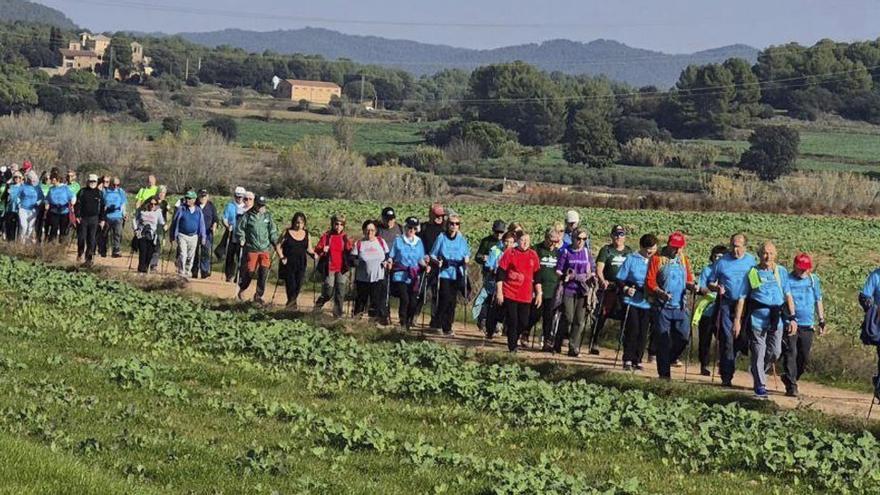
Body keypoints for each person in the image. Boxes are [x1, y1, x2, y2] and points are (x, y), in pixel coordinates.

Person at [734, 241, 795, 399]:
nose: (767, 256)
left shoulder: (781, 272)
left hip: (776, 319)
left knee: (775, 352)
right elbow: (742, 298)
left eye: (771, 253)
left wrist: (792, 318)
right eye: (764, 253)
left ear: (776, 254)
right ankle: (760, 386)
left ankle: (757, 369)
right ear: (759, 255)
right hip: (757, 320)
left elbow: (788, 295)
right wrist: (737, 321)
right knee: (758, 353)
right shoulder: (753, 272)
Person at [708, 233, 758, 387]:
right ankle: (726, 376)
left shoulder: (751, 261)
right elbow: (710, 282)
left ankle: (730, 362)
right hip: (726, 303)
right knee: (727, 339)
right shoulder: (722, 262)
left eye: (738, 246)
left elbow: (756, 282)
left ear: (745, 247)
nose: (735, 250)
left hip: (745, 304)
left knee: (742, 339)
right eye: (732, 246)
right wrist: (716, 287)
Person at [645, 232, 695, 379]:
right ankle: (664, 374)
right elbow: (650, 281)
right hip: (662, 307)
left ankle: (671, 358)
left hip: (680, 306)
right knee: (663, 341)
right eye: (674, 247)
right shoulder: (657, 259)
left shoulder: (683, 260)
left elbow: (689, 279)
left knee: (683, 337)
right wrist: (660, 292)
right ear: (669, 245)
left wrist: (693, 286)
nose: (677, 251)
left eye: (679, 248)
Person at [782, 253, 826, 397]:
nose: (802, 272)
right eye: (800, 269)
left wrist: (821, 320)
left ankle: (791, 377)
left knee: (804, 357)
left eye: (805, 269)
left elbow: (818, 300)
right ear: (794, 266)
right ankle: (791, 386)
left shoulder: (813, 280)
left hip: (808, 324)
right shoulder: (787, 280)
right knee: (791, 353)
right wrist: (788, 318)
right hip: (791, 323)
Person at [616, 234, 659, 371]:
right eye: (647, 249)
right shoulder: (631, 259)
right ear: (641, 247)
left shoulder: (657, 261)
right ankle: (628, 358)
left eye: (652, 249)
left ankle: (638, 359)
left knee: (643, 331)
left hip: (647, 301)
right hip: (632, 300)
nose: (650, 252)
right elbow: (620, 278)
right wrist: (626, 288)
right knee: (632, 329)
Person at [589, 225, 633, 355]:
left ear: (624, 237)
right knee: (602, 314)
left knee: (625, 317)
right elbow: (599, 268)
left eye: (621, 234)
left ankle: (625, 345)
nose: (618, 237)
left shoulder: (629, 252)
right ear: (611, 236)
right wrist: (602, 280)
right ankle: (594, 341)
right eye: (615, 234)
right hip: (609, 287)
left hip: (624, 288)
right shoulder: (606, 250)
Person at [554, 227, 597, 356]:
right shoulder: (567, 252)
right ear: (573, 238)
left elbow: (592, 269)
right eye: (579, 238)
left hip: (582, 290)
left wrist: (591, 277)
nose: (581, 241)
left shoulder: (586, 252)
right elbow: (558, 270)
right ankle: (558, 340)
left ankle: (574, 347)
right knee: (568, 317)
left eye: (584, 239)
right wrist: (566, 276)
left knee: (579, 320)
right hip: (568, 289)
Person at [496, 231, 542, 352]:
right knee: (513, 320)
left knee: (524, 321)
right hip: (510, 292)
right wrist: (499, 292)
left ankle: (514, 337)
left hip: (526, 295)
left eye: (527, 240)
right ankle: (512, 346)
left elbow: (537, 276)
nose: (525, 242)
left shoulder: (533, 255)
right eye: (522, 240)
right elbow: (500, 273)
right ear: (517, 241)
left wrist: (539, 293)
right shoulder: (510, 253)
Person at [429, 209, 469, 336]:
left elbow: (466, 253)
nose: (454, 226)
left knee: (452, 301)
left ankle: (448, 326)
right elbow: (432, 254)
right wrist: (437, 262)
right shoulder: (441, 237)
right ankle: (438, 323)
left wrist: (466, 259)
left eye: (457, 224)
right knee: (444, 298)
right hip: (444, 273)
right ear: (447, 224)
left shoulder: (462, 239)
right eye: (452, 223)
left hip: (456, 273)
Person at [235, 196, 280, 304]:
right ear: (255, 204)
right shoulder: (248, 216)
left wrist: (275, 241)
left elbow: (272, 231)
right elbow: (240, 229)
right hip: (252, 249)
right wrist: (241, 238)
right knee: (250, 272)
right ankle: (242, 289)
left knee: (263, 272)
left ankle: (258, 295)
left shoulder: (267, 216)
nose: (261, 207)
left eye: (263, 205)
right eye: (259, 204)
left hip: (265, 249)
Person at [389, 216, 429, 331]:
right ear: (405, 227)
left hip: (414, 276)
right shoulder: (398, 240)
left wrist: (425, 266)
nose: (411, 230)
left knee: (413, 301)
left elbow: (420, 258)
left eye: (414, 228)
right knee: (405, 299)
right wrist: (389, 262)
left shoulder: (419, 242)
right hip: (400, 275)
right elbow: (392, 255)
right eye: (409, 227)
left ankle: (409, 321)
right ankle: (403, 322)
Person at [694, 245, 728, 376]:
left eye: (721, 257)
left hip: (722, 310)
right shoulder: (707, 270)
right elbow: (701, 287)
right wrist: (708, 291)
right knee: (705, 338)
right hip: (707, 309)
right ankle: (704, 364)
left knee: (723, 338)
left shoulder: (727, 271)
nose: (717, 259)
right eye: (715, 256)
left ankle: (722, 363)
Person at [351, 219, 391, 324]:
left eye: (372, 230)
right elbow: (352, 258)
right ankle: (355, 323)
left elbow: (387, 255)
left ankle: (372, 325)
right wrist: (356, 262)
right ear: (364, 231)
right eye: (367, 230)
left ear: (376, 231)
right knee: (360, 302)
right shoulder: (359, 243)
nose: (370, 232)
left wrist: (387, 262)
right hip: (362, 279)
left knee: (375, 302)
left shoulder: (381, 242)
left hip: (378, 278)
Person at [314, 214, 353, 317]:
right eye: (336, 224)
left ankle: (337, 316)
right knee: (328, 292)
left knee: (340, 293)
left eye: (341, 224)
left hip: (342, 269)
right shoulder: (326, 237)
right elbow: (317, 250)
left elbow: (350, 251)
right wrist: (322, 250)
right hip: (329, 268)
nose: (338, 226)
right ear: (332, 224)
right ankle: (318, 305)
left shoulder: (345, 237)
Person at [278, 212, 315, 310]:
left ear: (304, 224)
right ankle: (292, 306)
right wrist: (282, 257)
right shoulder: (286, 232)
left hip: (301, 263)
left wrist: (314, 255)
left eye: (301, 223)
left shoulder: (307, 234)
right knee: (291, 285)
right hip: (288, 263)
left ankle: (291, 304)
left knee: (298, 285)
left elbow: (309, 248)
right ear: (293, 222)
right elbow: (278, 246)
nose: (299, 225)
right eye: (297, 223)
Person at [533, 227, 561, 352]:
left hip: (552, 288)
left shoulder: (558, 252)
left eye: (556, 242)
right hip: (537, 287)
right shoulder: (537, 249)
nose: (554, 244)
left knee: (548, 316)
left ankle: (547, 342)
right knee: (535, 314)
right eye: (552, 241)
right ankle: (524, 331)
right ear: (545, 238)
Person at [484, 231, 516, 339]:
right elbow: (488, 265)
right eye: (506, 241)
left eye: (511, 242)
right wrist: (494, 269)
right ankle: (490, 329)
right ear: (503, 242)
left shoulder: (515, 254)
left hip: (511, 284)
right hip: (496, 282)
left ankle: (505, 329)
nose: (508, 244)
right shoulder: (495, 251)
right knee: (495, 306)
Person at [475, 220, 507, 330]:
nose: (498, 234)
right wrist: (482, 257)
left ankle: (495, 321)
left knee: (498, 299)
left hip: (501, 274)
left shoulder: (505, 243)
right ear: (493, 230)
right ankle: (483, 319)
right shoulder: (486, 241)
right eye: (497, 232)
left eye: (501, 232)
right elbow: (477, 257)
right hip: (488, 273)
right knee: (487, 297)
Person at [419, 203, 447, 327]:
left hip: (441, 266)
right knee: (421, 291)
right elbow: (418, 245)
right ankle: (413, 316)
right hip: (426, 265)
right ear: (430, 214)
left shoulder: (446, 229)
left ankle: (435, 320)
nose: (440, 218)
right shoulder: (424, 227)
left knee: (438, 294)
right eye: (437, 215)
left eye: (442, 215)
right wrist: (423, 257)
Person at [171, 191, 207, 278]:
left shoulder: (198, 211)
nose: (187, 200)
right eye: (186, 198)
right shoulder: (181, 209)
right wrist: (172, 235)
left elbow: (201, 224)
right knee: (183, 254)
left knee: (190, 256)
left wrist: (203, 237)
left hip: (194, 236)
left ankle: (187, 271)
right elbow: (175, 222)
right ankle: (181, 271)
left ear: (194, 200)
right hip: (182, 235)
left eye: (189, 198)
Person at [74, 174, 104, 266]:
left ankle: (89, 258)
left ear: (96, 182)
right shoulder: (82, 191)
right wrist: (77, 216)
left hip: (94, 219)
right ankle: (80, 253)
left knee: (92, 239)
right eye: (91, 181)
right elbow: (77, 204)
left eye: (94, 181)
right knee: (81, 238)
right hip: (83, 218)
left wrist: (102, 219)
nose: (92, 183)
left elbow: (102, 207)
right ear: (88, 181)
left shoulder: (99, 193)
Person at [222, 187, 247, 282]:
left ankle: (239, 275)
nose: (239, 198)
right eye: (237, 196)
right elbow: (224, 217)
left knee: (240, 257)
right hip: (232, 233)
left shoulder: (246, 207)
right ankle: (229, 275)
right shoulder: (230, 206)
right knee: (230, 256)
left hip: (242, 235)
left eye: (241, 197)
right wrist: (227, 226)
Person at [133, 197, 165, 273]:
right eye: (151, 204)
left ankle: (145, 267)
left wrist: (164, 227)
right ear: (148, 203)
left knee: (149, 254)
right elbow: (134, 220)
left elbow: (161, 222)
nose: (153, 205)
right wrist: (135, 229)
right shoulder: (142, 211)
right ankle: (141, 269)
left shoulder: (158, 212)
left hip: (152, 236)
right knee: (143, 253)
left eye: (155, 204)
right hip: (142, 234)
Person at [191, 189, 217, 279]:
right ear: (198, 196)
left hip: (207, 233)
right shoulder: (195, 205)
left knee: (205, 252)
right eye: (201, 196)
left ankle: (204, 271)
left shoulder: (211, 206)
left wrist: (214, 226)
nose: (203, 198)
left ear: (207, 196)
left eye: (205, 196)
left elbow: (215, 219)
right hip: (195, 232)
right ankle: (194, 270)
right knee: (194, 252)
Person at [44, 170, 75, 243]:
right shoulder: (51, 189)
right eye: (51, 179)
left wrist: (73, 202)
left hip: (64, 211)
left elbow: (72, 196)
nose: (51, 181)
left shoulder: (65, 188)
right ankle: (51, 245)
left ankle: (62, 246)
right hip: (54, 211)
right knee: (53, 229)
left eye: (53, 179)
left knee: (63, 230)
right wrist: (46, 203)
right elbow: (47, 198)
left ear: (57, 179)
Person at [101, 177, 127, 258]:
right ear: (110, 184)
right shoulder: (105, 192)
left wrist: (124, 213)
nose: (116, 186)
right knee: (105, 234)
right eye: (114, 184)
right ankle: (103, 250)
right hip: (107, 216)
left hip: (118, 216)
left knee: (117, 234)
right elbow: (102, 203)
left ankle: (116, 250)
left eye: (118, 185)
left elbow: (123, 204)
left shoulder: (120, 191)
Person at [16, 170, 43, 244]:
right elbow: (17, 196)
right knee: (24, 226)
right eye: (31, 180)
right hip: (23, 209)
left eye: (33, 180)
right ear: (28, 179)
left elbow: (41, 198)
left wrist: (38, 203)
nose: (32, 181)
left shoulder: (37, 188)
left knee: (30, 227)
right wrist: (19, 204)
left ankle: (27, 243)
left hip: (33, 210)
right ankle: (21, 242)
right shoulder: (23, 186)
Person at [149, 185, 169, 272]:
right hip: (152, 225)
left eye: (164, 193)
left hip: (161, 226)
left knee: (158, 246)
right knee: (150, 245)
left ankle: (154, 265)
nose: (162, 194)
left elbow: (168, 215)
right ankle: (148, 262)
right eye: (160, 192)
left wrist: (167, 224)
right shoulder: (153, 201)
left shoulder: (165, 203)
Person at [3, 171, 22, 241]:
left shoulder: (22, 187)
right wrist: (7, 193)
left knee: (17, 226)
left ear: (20, 178)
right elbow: (5, 197)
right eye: (15, 177)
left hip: (18, 209)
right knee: (9, 225)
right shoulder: (10, 186)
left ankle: (15, 242)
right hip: (9, 208)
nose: (17, 179)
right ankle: (9, 241)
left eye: (18, 177)